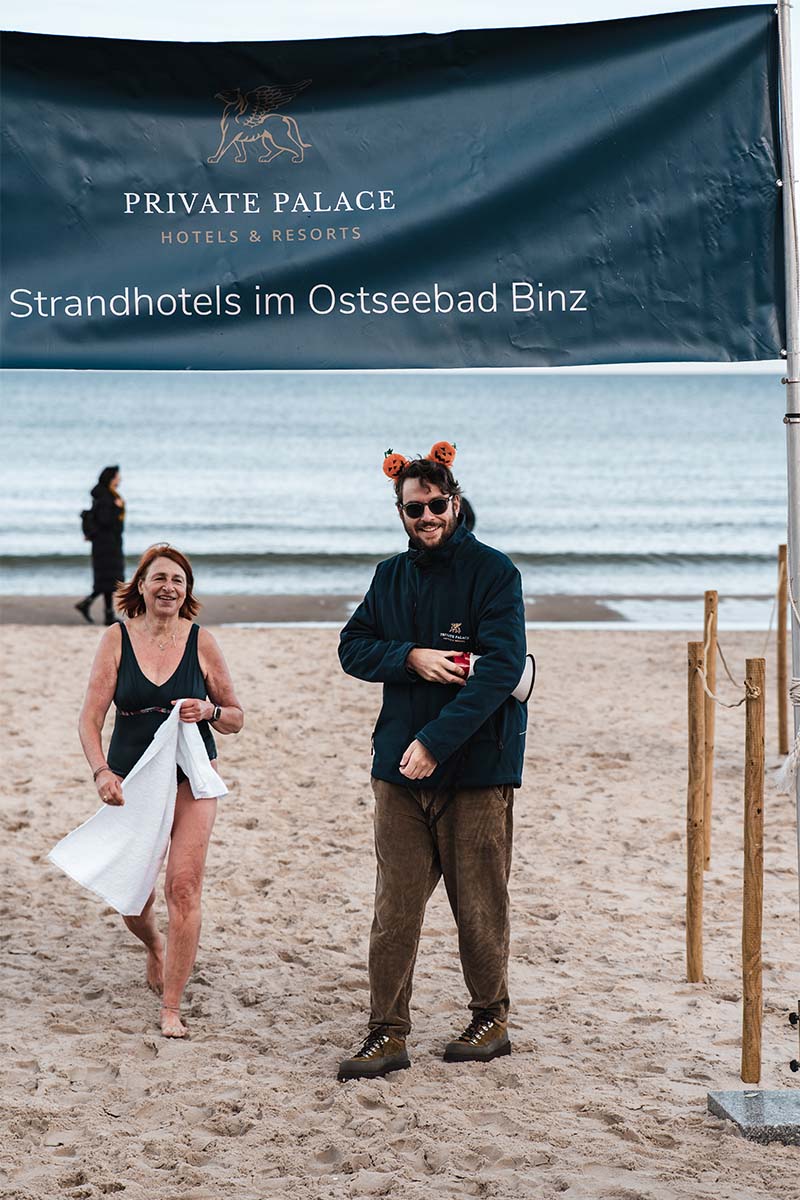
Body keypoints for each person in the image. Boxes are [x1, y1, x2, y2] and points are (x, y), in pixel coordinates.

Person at [337, 442, 528, 1081]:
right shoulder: (389, 576)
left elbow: (501, 669)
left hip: (478, 769)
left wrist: (436, 742)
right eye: (414, 508)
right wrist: (410, 657)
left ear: (456, 501)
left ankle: (490, 1020)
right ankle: (387, 1032)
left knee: (480, 905)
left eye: (436, 504)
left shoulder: (495, 573)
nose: (427, 516)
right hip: (397, 770)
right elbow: (352, 647)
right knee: (394, 908)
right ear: (400, 510)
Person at [77, 544, 244, 1037]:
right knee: (132, 897)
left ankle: (172, 1006)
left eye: (178, 580)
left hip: (192, 776)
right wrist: (101, 772)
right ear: (142, 586)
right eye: (160, 578)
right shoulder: (116, 639)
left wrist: (210, 711)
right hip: (131, 781)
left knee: (183, 887)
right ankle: (154, 945)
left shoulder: (201, 641)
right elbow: (89, 720)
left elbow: (236, 717)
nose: (169, 587)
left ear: (187, 591)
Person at [76, 465, 126, 626]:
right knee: (108, 579)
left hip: (106, 543)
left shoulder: (106, 495)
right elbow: (105, 521)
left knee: (108, 580)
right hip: (107, 544)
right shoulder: (106, 497)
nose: (120, 479)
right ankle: (104, 613)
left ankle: (99, 609)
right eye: (117, 476)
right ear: (111, 479)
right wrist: (117, 508)